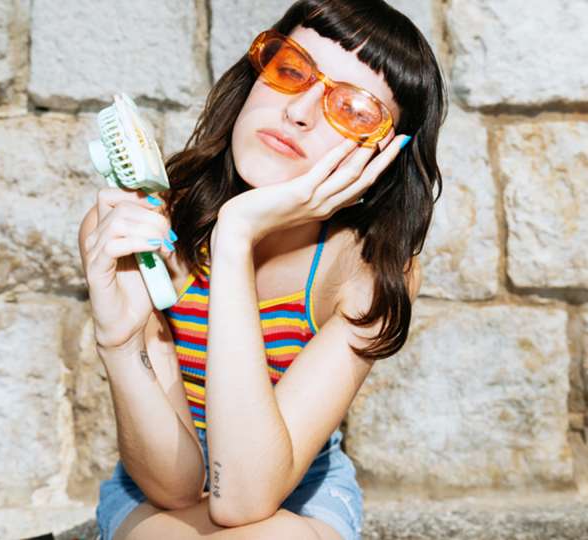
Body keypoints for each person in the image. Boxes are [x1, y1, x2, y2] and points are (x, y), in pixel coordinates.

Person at [78, 1, 447, 538]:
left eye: (353, 109)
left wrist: (236, 237)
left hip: (300, 496)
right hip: (157, 488)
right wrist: (117, 339)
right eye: (292, 70)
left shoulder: (367, 269)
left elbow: (244, 499)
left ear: (383, 157)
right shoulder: (148, 221)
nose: (299, 111)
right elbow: (175, 485)